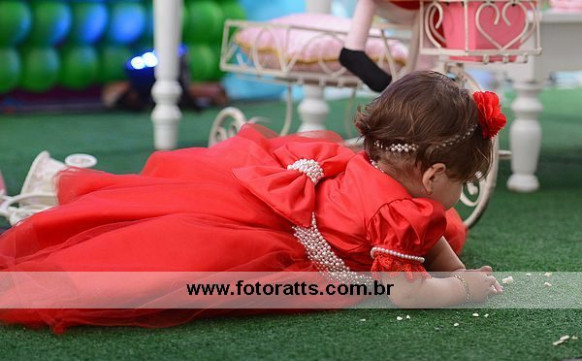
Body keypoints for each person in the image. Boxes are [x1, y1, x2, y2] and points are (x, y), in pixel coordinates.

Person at [0, 71, 505, 333]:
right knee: (167, 254)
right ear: (433, 175)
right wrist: (463, 290)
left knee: (161, 204)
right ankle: (43, 212)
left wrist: (458, 269)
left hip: (293, 209)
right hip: (287, 247)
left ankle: (47, 196)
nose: (454, 197)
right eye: (462, 182)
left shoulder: (374, 171)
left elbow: (429, 234)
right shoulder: (395, 213)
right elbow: (407, 294)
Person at [339, 0, 434, 92]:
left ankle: (420, 79)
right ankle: (420, 79)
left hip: (425, 11)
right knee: (432, 13)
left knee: (433, 13)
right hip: (423, 11)